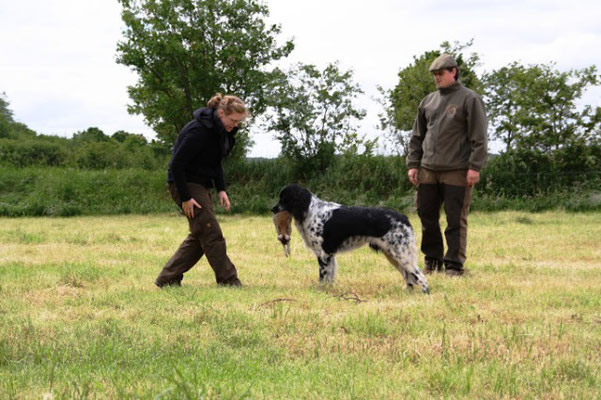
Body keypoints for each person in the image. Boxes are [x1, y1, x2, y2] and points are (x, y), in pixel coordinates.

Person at [406, 54, 488, 276]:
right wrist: (413, 164)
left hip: (457, 170)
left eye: (440, 74)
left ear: (453, 71)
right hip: (428, 170)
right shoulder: (428, 101)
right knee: (427, 217)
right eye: (434, 75)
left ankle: (454, 265)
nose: (437, 78)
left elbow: (479, 137)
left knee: (455, 220)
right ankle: (432, 261)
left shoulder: (469, 99)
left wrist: (475, 167)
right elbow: (417, 136)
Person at [155, 93, 247, 287]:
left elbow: (215, 163)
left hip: (201, 184)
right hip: (184, 183)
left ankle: (168, 278)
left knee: (201, 234)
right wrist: (185, 198)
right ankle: (229, 280)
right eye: (233, 120)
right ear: (221, 113)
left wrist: (221, 189)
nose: (235, 125)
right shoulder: (199, 131)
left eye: (239, 122)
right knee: (211, 232)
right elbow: (176, 165)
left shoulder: (219, 132)